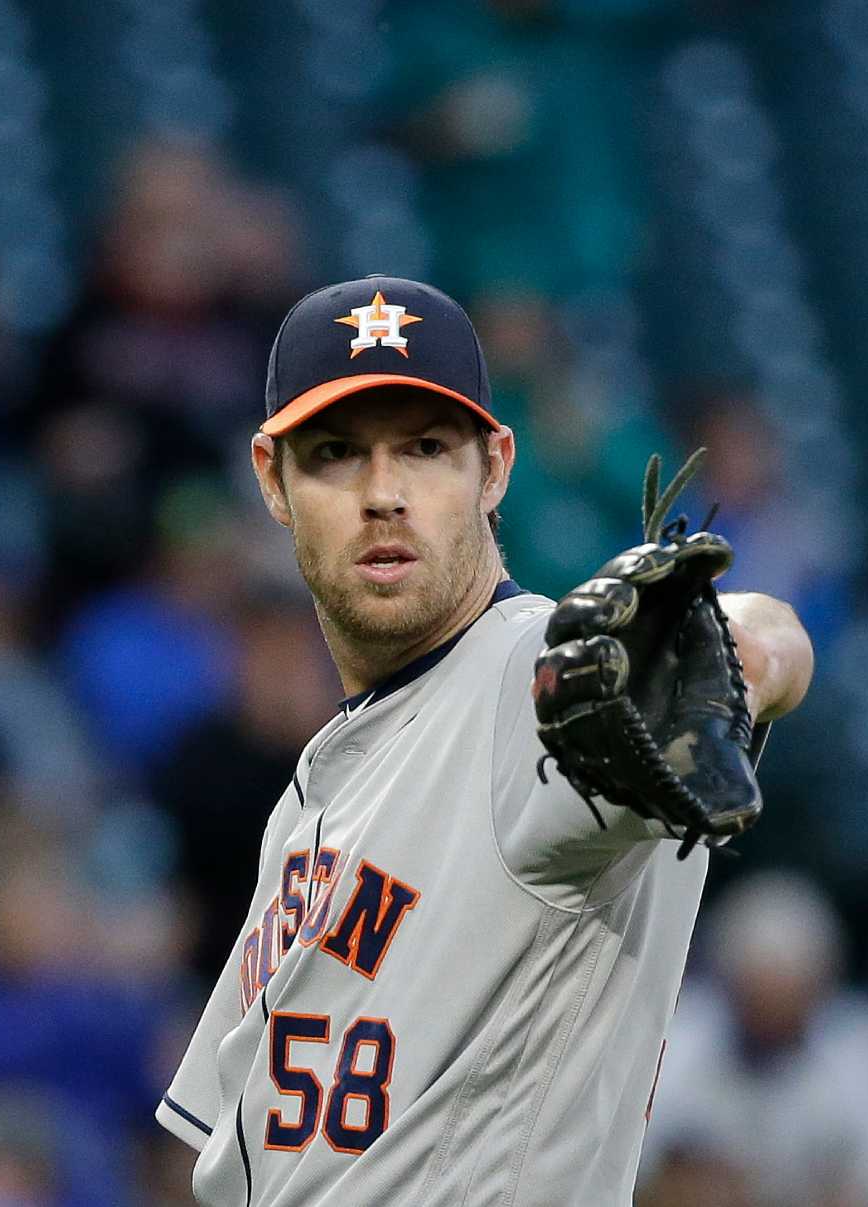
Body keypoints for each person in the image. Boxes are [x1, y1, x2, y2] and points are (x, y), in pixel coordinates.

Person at [154, 276, 813, 1204]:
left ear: (495, 467)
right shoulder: (312, 789)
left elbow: (766, 631)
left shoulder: (527, 682)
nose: (384, 494)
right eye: (337, 454)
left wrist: (741, 650)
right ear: (272, 480)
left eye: (426, 449)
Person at [643, 872, 868, 1207]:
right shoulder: (682, 1034)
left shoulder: (863, 1050)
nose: (772, 1011)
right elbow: (636, 1160)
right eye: (759, 989)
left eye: (787, 989)